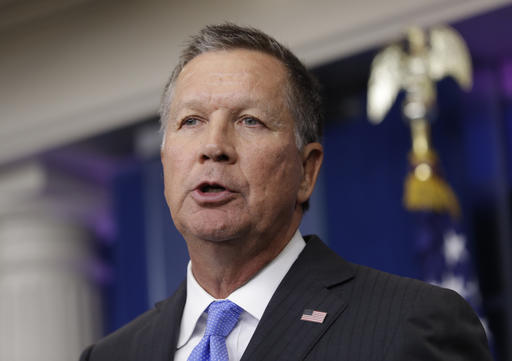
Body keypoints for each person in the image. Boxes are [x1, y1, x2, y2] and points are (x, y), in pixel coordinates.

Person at [80, 23, 492, 361]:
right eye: (191, 121)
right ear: (166, 158)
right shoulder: (111, 356)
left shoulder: (411, 325)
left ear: (306, 171)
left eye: (249, 121)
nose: (213, 146)